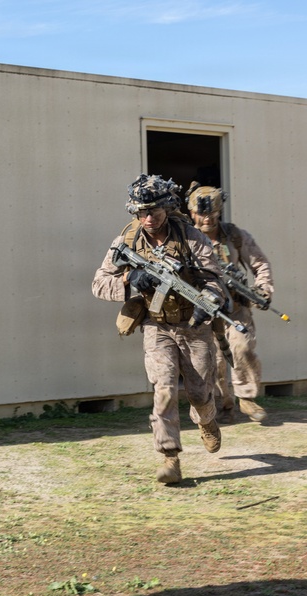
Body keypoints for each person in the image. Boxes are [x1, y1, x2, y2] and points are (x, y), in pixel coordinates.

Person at [92, 175, 226, 484]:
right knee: (163, 390)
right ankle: (170, 458)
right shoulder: (127, 241)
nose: (148, 218)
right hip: (156, 325)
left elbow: (215, 278)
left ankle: (207, 420)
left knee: (198, 391)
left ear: (167, 208)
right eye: (141, 212)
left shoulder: (191, 237)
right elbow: (99, 283)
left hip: (194, 325)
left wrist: (210, 299)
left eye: (154, 211)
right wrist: (130, 280)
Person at [185, 184, 273, 424]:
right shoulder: (183, 239)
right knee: (214, 361)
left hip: (235, 308)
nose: (206, 219)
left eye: (212, 214)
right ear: (191, 213)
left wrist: (263, 288)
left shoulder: (235, 236)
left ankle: (246, 398)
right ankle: (223, 405)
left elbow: (260, 263)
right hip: (203, 310)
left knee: (242, 349)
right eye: (201, 214)